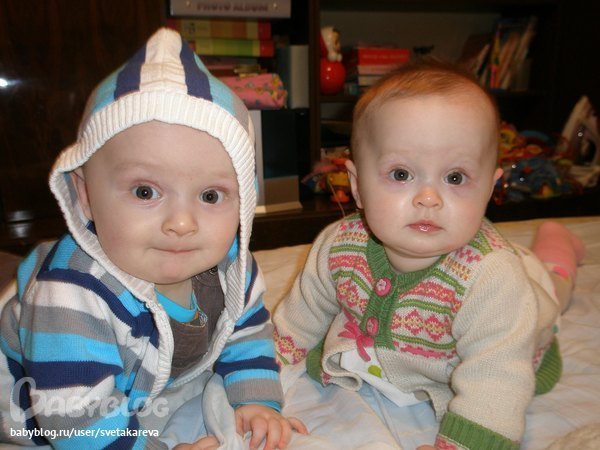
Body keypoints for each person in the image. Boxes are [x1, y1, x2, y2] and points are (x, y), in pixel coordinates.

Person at [0, 28, 306, 450]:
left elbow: (247, 332)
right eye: (145, 192)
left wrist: (256, 399)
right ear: (85, 195)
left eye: (211, 196)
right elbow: (74, 419)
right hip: (37, 406)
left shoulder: (230, 268)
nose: (181, 223)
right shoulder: (69, 293)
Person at [273, 59, 585, 450]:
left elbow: (496, 381)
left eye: (455, 177)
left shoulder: (493, 281)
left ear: (489, 189)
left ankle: (559, 247)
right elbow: (303, 313)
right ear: (357, 184)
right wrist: (264, 368)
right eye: (401, 174)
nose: (428, 198)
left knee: (552, 286)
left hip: (522, 313)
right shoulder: (339, 245)